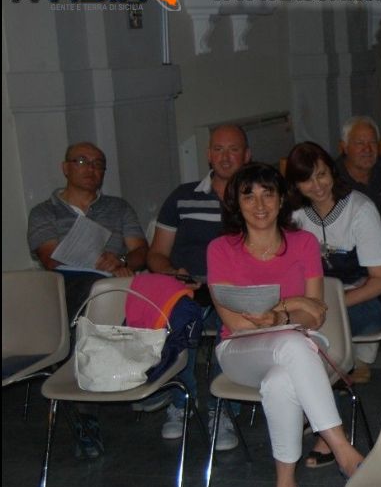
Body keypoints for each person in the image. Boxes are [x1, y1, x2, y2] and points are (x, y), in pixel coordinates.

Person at [207, 162, 364, 487]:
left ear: (281, 201)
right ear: (236, 203)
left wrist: (278, 308)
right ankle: (342, 448)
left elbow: (317, 314)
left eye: (268, 194)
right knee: (291, 343)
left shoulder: (304, 243)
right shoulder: (220, 249)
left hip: (299, 344)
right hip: (240, 352)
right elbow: (238, 323)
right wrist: (292, 308)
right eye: (249, 195)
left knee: (281, 382)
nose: (259, 204)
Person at [26, 141, 148, 460]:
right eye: (81, 161)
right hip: (66, 283)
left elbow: (140, 250)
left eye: (98, 163)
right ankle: (85, 406)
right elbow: (50, 258)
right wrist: (95, 259)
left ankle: (89, 397)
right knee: (88, 291)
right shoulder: (44, 212)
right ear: (65, 168)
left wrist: (120, 258)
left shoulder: (118, 208)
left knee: (115, 290)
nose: (90, 168)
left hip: (115, 281)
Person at [285, 141, 381, 468]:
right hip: (318, 302)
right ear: (295, 185)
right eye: (307, 179)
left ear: (332, 172)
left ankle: (326, 426)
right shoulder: (293, 216)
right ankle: (314, 407)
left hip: (367, 298)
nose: (317, 185)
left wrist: (331, 305)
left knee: (319, 334)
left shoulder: (359, 209)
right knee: (296, 335)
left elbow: (380, 280)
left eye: (322, 174)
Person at [148, 124, 252, 449]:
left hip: (235, 291)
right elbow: (156, 254)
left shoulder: (258, 199)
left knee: (231, 320)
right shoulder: (182, 197)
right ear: (208, 155)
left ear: (246, 156)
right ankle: (181, 401)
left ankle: (223, 410)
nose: (225, 157)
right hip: (188, 287)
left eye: (233, 149)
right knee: (179, 315)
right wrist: (174, 273)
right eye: (218, 149)